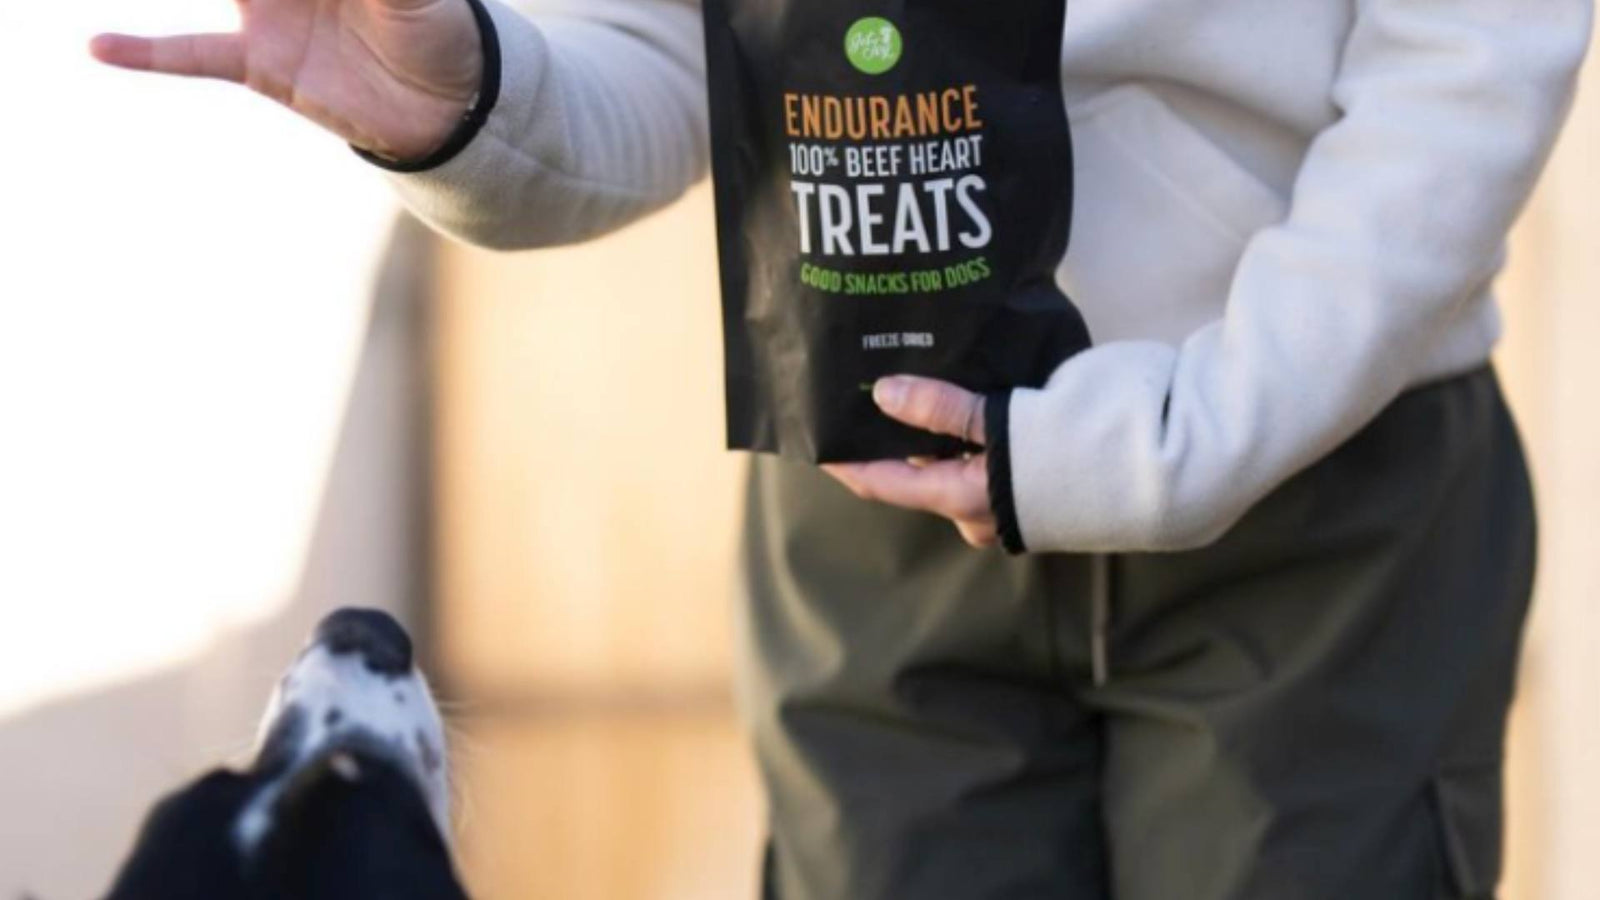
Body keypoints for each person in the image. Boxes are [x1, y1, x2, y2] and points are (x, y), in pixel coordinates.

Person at [92, 1, 1592, 897]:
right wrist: (472, 107)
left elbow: (1464, 60)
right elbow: (673, 53)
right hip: (879, 511)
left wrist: (1194, 437)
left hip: (1317, 497)